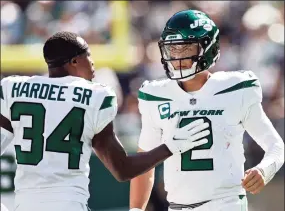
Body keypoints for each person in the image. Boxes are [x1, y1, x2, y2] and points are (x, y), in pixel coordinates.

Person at [0, 31, 211, 211]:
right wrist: (171, 146)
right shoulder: (95, 96)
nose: (92, 63)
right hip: (69, 203)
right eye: (87, 56)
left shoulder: (14, 89)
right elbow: (123, 170)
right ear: (74, 62)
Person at [129, 10, 284, 211]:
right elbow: (144, 164)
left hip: (225, 205)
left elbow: (276, 146)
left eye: (186, 50)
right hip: (178, 207)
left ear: (208, 48)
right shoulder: (156, 95)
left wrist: (264, 170)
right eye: (173, 50)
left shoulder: (237, 89)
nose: (177, 58)